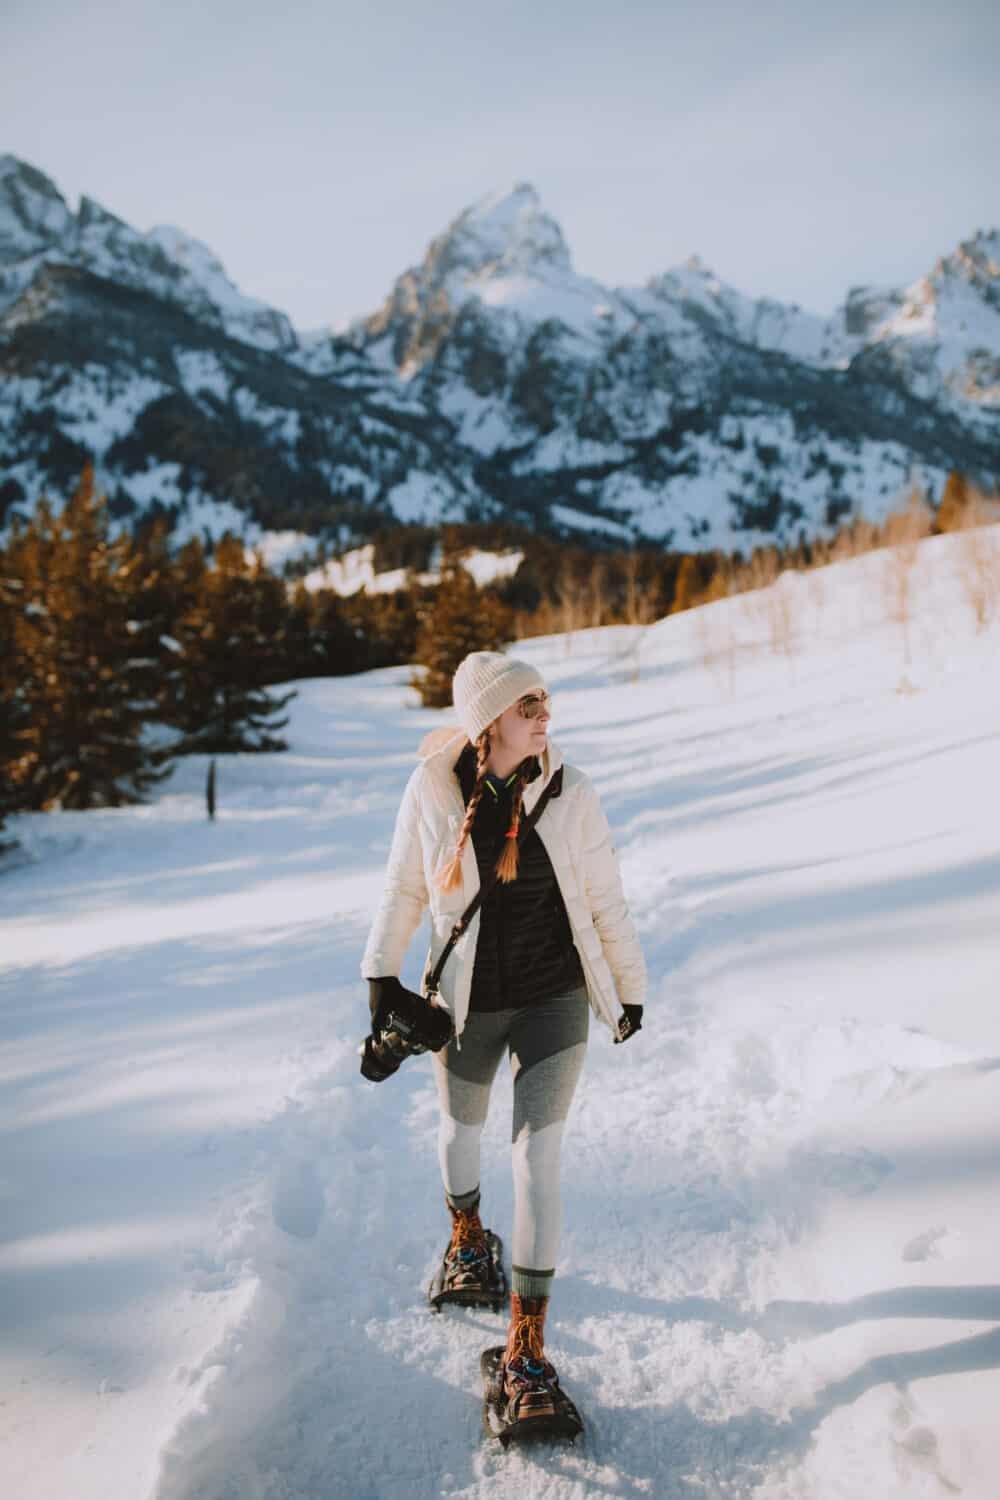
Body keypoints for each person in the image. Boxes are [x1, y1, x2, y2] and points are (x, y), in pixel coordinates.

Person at [361, 650, 646, 1432]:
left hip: (553, 1001)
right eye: (529, 706)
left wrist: (629, 989)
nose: (545, 716)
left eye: (546, 701)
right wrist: (380, 980)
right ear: (490, 722)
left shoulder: (572, 790)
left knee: (536, 1158)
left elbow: (606, 896)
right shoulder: (431, 789)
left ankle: (525, 1350)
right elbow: (404, 888)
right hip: (469, 1007)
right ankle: (466, 1236)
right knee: (461, 1131)